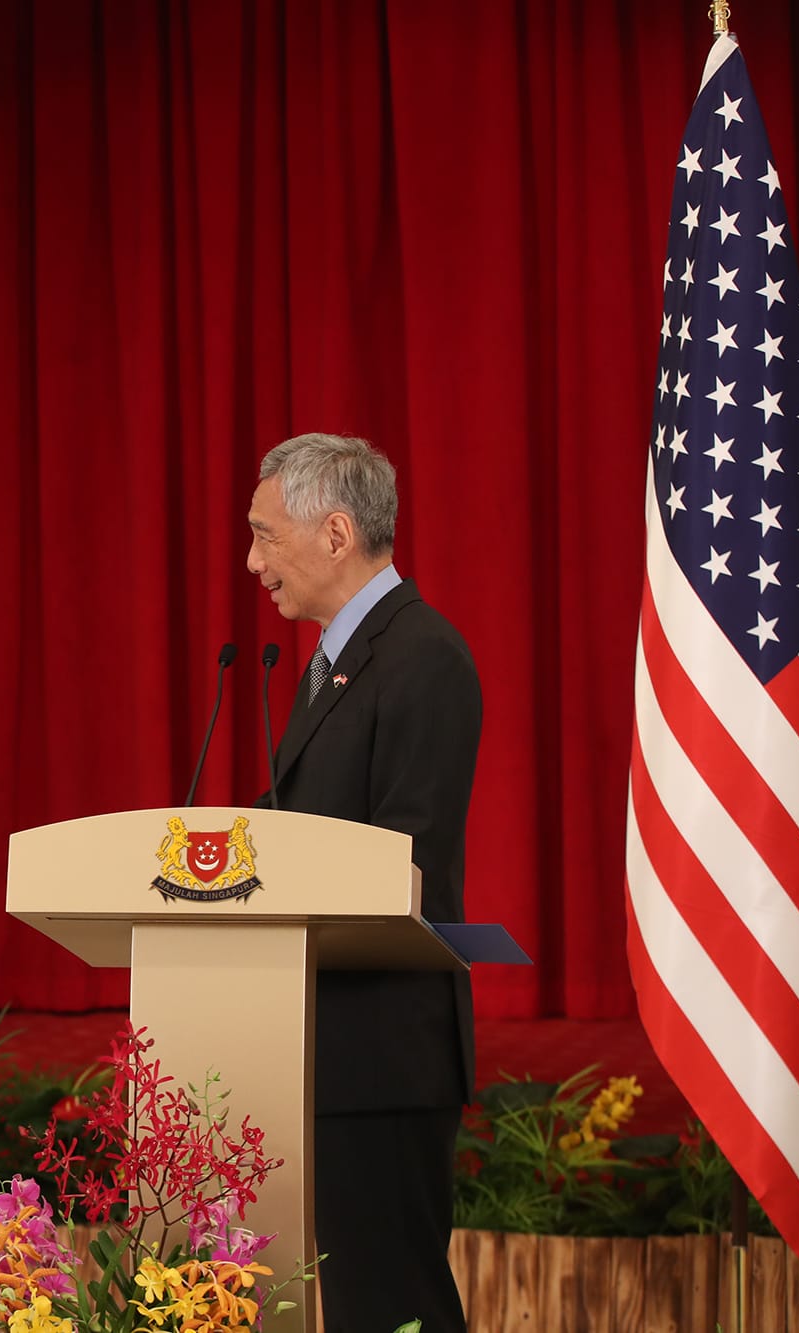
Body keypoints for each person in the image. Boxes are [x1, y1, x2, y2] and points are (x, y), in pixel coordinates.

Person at [245, 433, 478, 1333]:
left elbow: (401, 861)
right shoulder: (331, 662)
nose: (253, 561)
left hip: (382, 1050)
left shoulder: (423, 656)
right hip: (321, 1041)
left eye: (266, 535)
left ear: (336, 533)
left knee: (393, 1307)